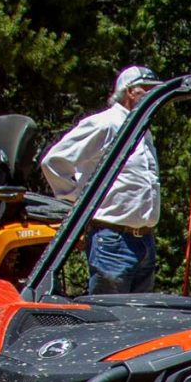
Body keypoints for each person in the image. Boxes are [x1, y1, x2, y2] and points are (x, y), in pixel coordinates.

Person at [40, 64, 162, 293]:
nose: (154, 96)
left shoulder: (144, 129)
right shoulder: (106, 123)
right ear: (130, 91)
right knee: (110, 321)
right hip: (112, 241)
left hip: (144, 240)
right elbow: (54, 161)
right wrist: (82, 201)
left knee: (138, 322)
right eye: (148, 89)